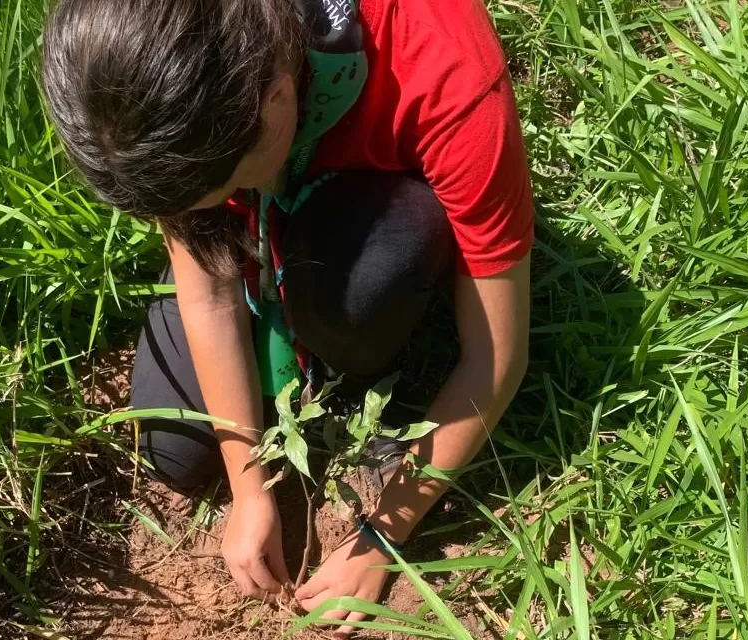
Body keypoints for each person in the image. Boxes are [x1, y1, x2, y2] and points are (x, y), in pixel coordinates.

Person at [41, 0, 533, 635]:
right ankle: (273, 277)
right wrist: (248, 487)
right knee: (174, 448)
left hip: (370, 209)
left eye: (210, 197)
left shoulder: (446, 69)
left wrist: (380, 535)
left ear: (272, 102)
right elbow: (209, 294)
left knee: (361, 297)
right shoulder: (158, 58)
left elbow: (495, 358)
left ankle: (355, 351)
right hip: (253, 176)